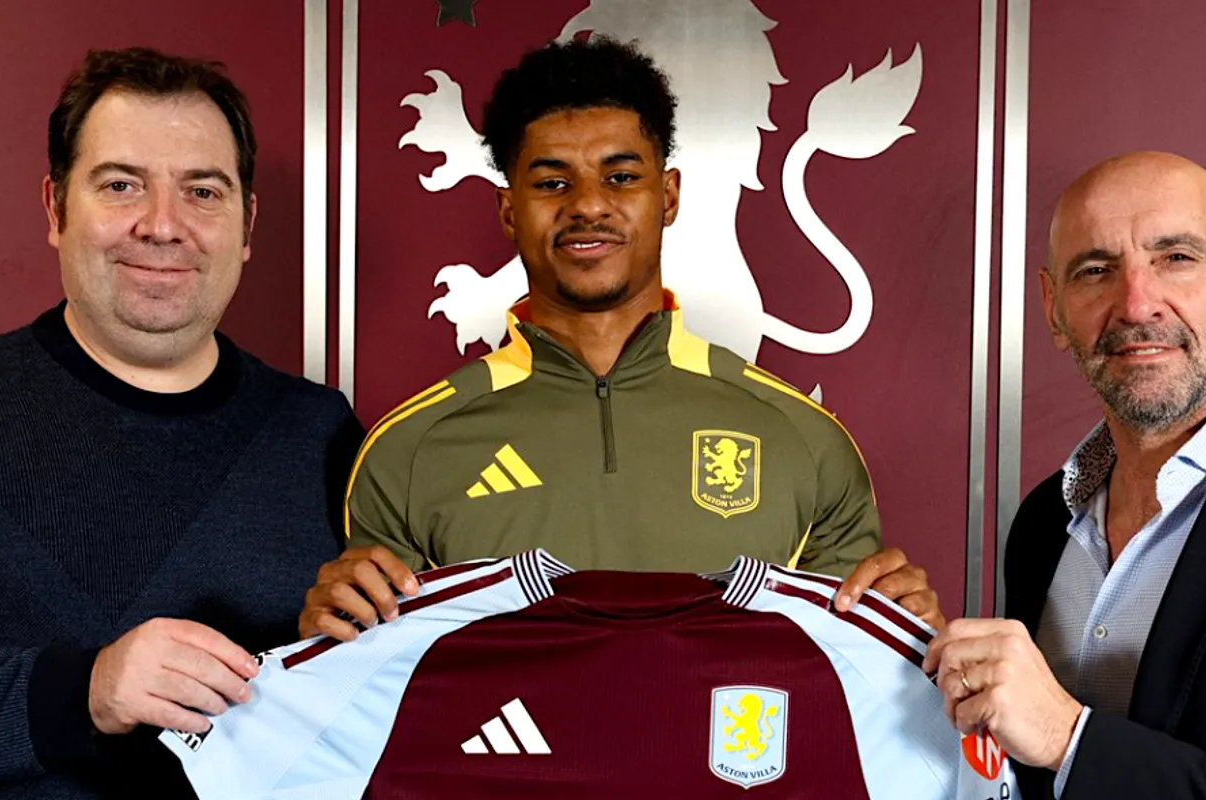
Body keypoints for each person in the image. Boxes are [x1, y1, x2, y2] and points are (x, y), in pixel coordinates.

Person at [299, 37, 941, 645]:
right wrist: (333, 641)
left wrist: (906, 636)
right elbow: (380, 696)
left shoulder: (806, 440)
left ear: (668, 196)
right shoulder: (409, 450)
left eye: (620, 177)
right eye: (552, 182)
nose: (587, 206)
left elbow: (848, 686)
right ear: (507, 211)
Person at [0, 48, 362, 799]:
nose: (162, 226)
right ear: (56, 208)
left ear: (246, 226)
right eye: (120, 185)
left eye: (202, 191)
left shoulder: (321, 431)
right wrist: (87, 691)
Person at [924, 151, 1206, 798]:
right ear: (1054, 308)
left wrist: (1072, 740)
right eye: (1096, 270)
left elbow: (1055, 739)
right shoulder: (1043, 523)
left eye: (1176, 257)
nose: (1137, 303)